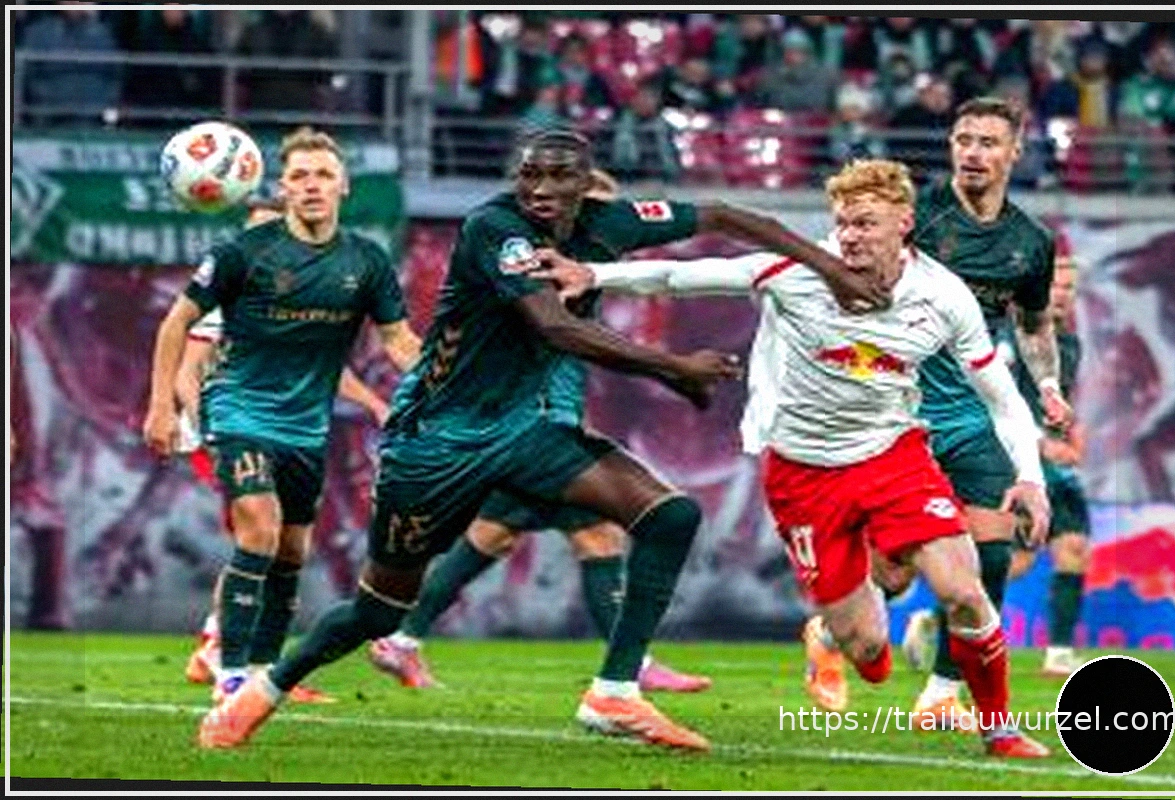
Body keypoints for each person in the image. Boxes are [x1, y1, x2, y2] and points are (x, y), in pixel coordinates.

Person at [196, 128, 887, 752]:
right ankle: (266, 687)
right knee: (378, 610)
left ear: (587, 183)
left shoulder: (609, 223)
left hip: (525, 430)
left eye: (559, 176)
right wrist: (672, 367)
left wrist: (830, 269)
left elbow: (729, 216)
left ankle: (615, 692)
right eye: (530, 174)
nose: (542, 189)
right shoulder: (495, 228)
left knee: (670, 515)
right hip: (435, 443)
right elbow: (554, 325)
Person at [527, 157, 1053, 758]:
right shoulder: (798, 271)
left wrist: (1031, 478)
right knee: (870, 654)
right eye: (842, 223)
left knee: (963, 589)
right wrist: (592, 273)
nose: (849, 236)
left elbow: (1002, 397)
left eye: (865, 223)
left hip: (893, 456)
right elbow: (684, 276)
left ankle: (999, 728)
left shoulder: (944, 295)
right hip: (803, 475)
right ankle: (831, 633)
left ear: (904, 223)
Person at [368, 173, 710, 694]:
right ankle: (630, 667)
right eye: (593, 215)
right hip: (528, 434)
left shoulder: (573, 284)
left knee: (495, 536)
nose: (602, 232)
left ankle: (403, 638)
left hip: (528, 432)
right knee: (595, 537)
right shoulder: (530, 280)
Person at [142, 127, 424, 709]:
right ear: (283, 187)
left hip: (306, 427)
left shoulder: (367, 261)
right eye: (299, 176)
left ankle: (264, 672)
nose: (312, 185)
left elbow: (398, 341)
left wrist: (445, 383)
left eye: (323, 174)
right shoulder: (242, 253)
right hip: (238, 411)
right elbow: (176, 323)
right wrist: (160, 407)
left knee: (292, 552)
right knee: (260, 530)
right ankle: (230, 676)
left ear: (344, 185)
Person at [868, 97, 1068, 730]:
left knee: (992, 551)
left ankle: (942, 693)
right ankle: (836, 623)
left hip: (970, 412)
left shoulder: (1030, 243)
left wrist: (1049, 384)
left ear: (1014, 152)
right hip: (896, 409)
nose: (973, 153)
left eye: (988, 142)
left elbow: (1033, 325)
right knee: (891, 573)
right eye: (963, 140)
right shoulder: (917, 215)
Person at [178, 197, 393, 701]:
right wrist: (202, 427)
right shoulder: (231, 287)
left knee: (279, 546)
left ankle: (240, 656)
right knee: (258, 534)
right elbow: (188, 369)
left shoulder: (304, 294)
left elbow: (327, 367)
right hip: (234, 426)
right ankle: (224, 657)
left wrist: (375, 404)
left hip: (295, 431)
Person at [1004, 245, 1090, 678]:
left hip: (1055, 466)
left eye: (1070, 288)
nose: (1062, 294)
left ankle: (1058, 653)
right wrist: (1037, 442)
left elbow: (1064, 401)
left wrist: (1074, 437)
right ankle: (944, 617)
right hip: (1017, 462)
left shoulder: (1070, 344)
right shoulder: (1012, 336)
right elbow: (999, 398)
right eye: (1056, 285)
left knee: (1073, 550)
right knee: (1014, 563)